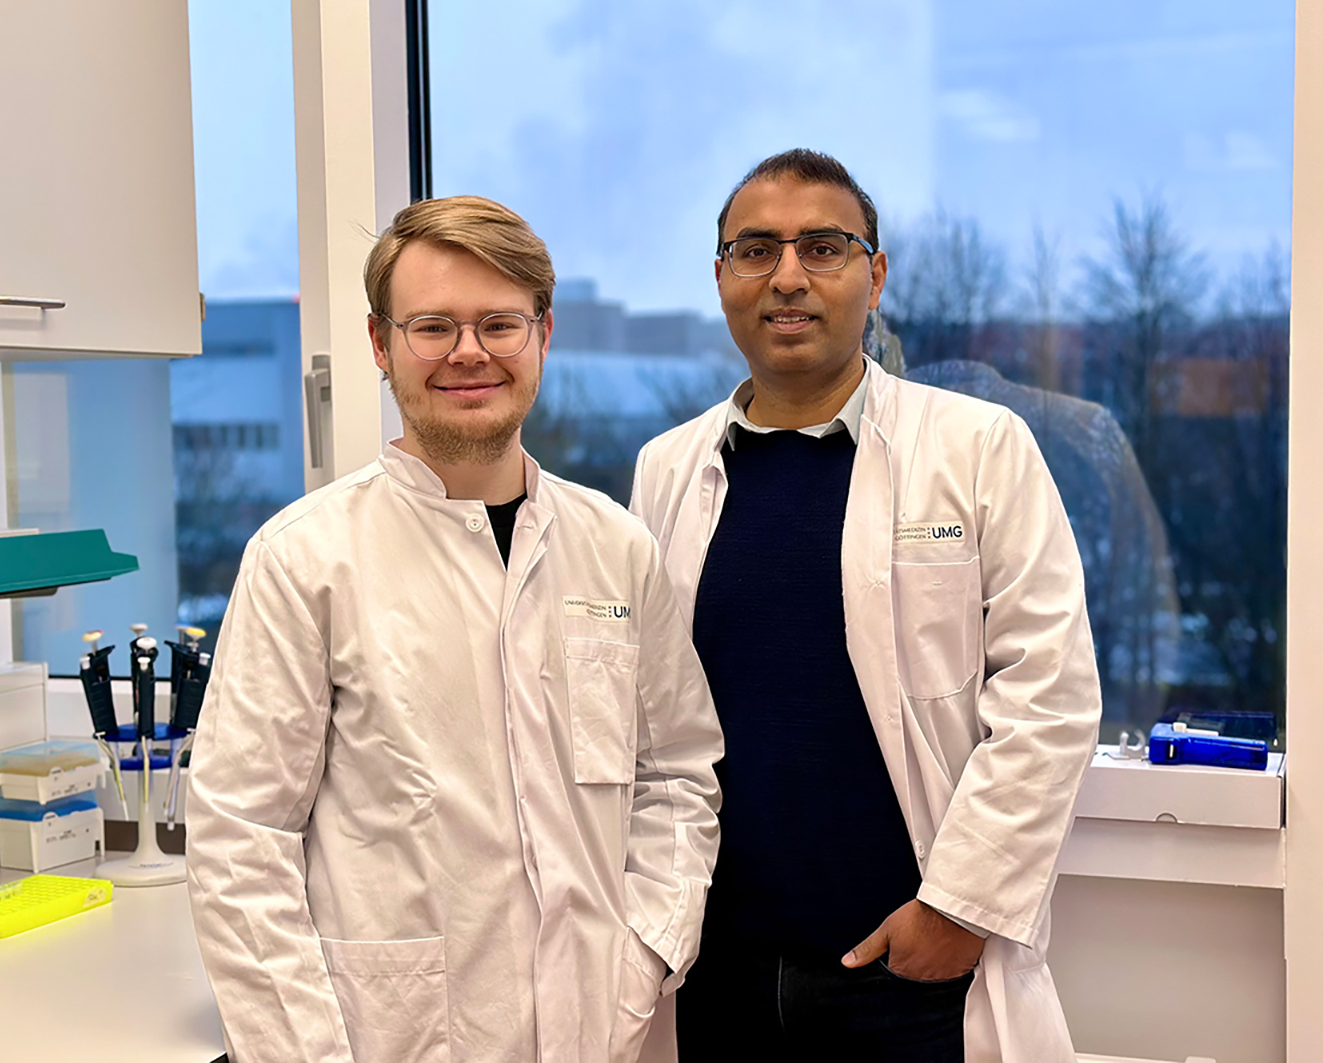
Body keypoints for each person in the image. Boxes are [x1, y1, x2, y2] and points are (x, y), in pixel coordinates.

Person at [187, 195, 723, 1063]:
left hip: (601, 1024)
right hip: (393, 1037)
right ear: (380, 344)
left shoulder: (616, 547)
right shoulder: (304, 559)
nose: (468, 352)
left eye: (499, 324)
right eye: (432, 326)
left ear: (543, 336)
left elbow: (675, 777)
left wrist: (645, 951)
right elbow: (241, 840)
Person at [630, 149, 1101, 1062]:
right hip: (716, 968)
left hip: (907, 973)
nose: (787, 277)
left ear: (874, 276)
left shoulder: (977, 446)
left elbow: (1050, 694)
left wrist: (957, 910)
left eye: (823, 247)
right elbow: (653, 718)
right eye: (755, 250)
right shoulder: (667, 469)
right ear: (721, 277)